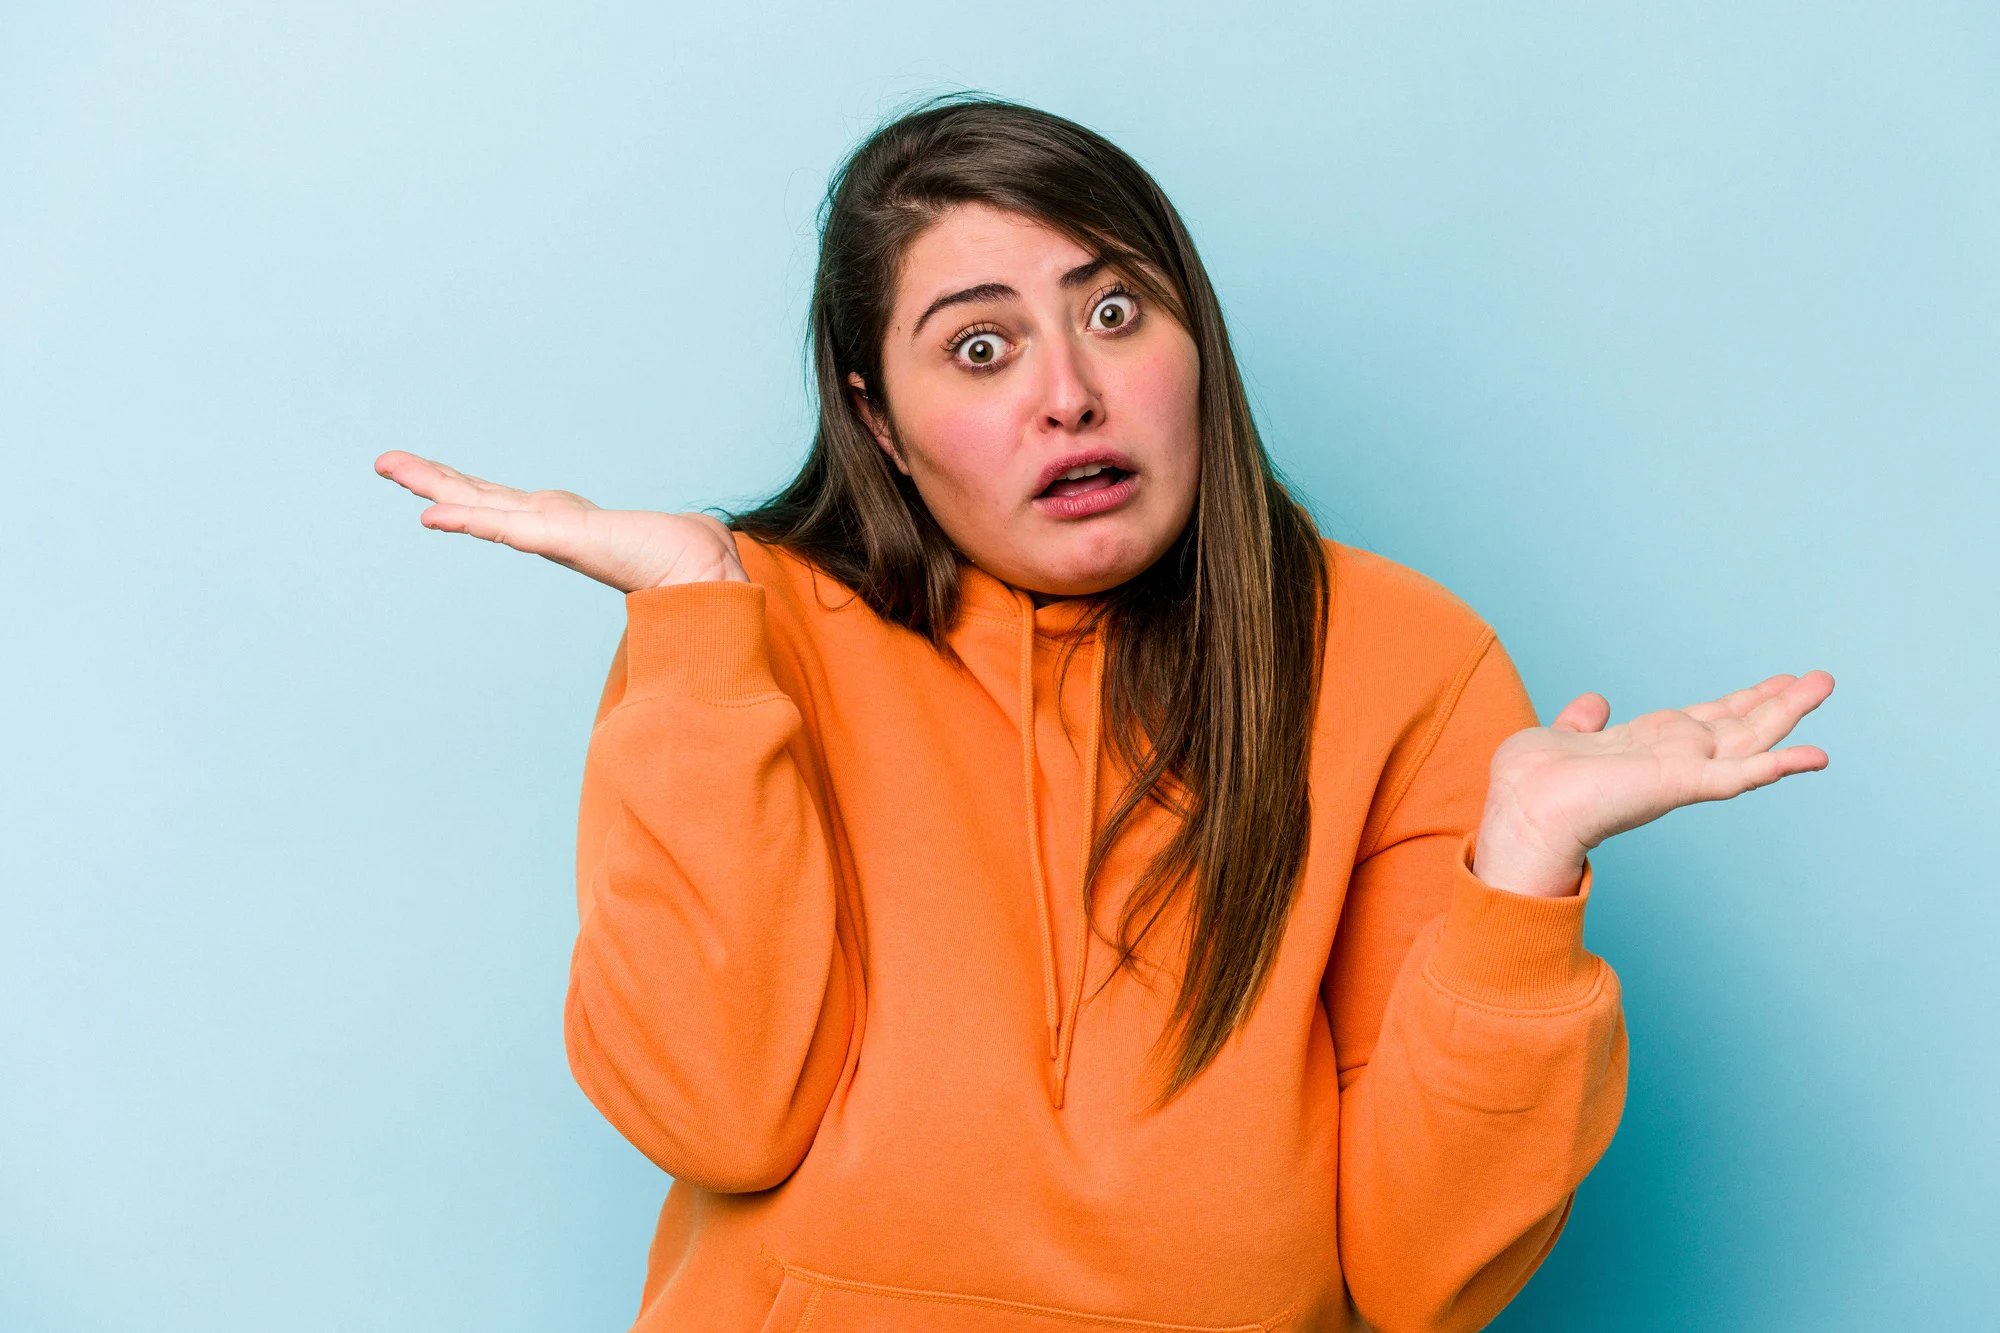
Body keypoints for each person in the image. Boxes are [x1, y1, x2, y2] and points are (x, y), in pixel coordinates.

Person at [376, 97, 1833, 1333]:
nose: (1071, 395)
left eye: (1115, 312)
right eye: (980, 348)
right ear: (874, 415)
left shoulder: (1408, 659)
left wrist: (1522, 873)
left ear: (1195, 339)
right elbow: (714, 1115)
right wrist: (698, 627)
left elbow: (1420, 1279)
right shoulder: (741, 628)